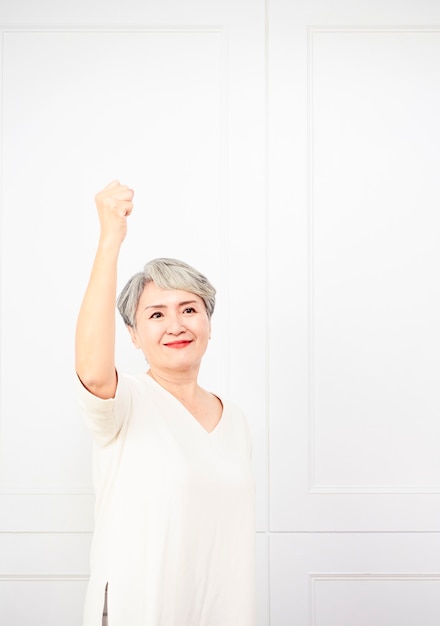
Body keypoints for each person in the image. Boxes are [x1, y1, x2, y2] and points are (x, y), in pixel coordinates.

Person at [75, 181, 256, 626]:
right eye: (156, 314)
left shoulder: (235, 420)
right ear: (133, 336)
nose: (176, 324)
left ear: (209, 324)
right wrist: (109, 239)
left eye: (189, 309)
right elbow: (94, 372)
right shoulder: (126, 403)